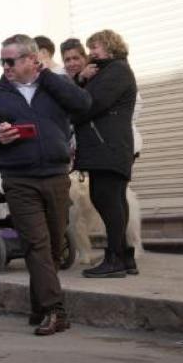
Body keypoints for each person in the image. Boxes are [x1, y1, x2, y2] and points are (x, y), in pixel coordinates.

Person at [0, 34, 91, 335]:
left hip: (55, 175)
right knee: (36, 244)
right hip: (19, 179)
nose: (6, 66)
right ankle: (56, 310)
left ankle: (39, 305)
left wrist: (49, 77)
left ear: (31, 60)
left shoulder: (53, 85)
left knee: (53, 245)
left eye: (11, 60)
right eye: (3, 61)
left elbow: (83, 104)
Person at [73, 30, 138, 279]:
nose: (91, 53)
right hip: (108, 147)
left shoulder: (116, 70)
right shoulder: (110, 70)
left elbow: (87, 104)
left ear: (110, 47)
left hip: (107, 147)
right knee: (114, 201)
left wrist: (79, 81)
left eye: (95, 47)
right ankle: (124, 256)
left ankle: (115, 258)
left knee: (106, 199)